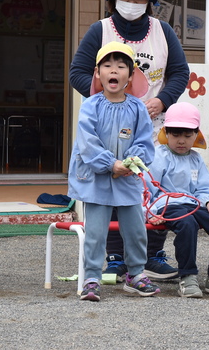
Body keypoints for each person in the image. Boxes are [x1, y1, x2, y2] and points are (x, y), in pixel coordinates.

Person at [69, 0, 189, 281]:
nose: (132, 2)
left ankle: (152, 254)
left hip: (150, 126)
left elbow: (180, 73)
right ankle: (113, 257)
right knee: (107, 188)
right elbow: (77, 72)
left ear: (149, 1)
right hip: (106, 128)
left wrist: (161, 100)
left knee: (151, 191)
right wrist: (111, 97)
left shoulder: (163, 32)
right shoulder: (100, 30)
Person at [68, 43, 159, 301]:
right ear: (98, 73)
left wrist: (131, 162)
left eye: (121, 66)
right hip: (96, 178)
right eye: (108, 65)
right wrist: (111, 164)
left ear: (130, 76)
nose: (114, 70)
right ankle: (92, 277)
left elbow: (144, 141)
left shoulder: (138, 107)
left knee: (135, 229)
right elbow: (87, 142)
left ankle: (136, 274)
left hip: (128, 178)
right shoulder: (90, 105)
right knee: (96, 232)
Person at [146, 102, 209, 298]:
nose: (181, 140)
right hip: (168, 205)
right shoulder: (158, 156)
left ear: (196, 135)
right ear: (166, 133)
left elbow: (205, 186)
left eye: (187, 135)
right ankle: (187, 276)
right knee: (187, 223)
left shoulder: (195, 158)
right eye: (176, 135)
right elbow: (147, 189)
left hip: (193, 204)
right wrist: (149, 213)